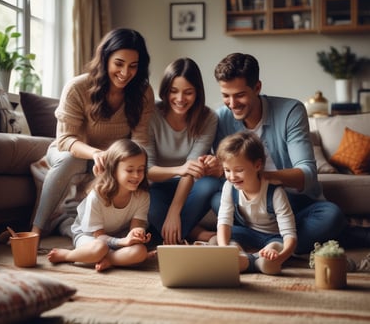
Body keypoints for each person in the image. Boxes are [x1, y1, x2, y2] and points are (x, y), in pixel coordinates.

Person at [201, 52, 346, 255]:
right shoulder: (221, 117)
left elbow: (307, 174)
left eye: (240, 95)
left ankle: (260, 244)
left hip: (295, 203)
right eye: (226, 96)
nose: (232, 104)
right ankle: (283, 244)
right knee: (218, 199)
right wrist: (213, 165)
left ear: (257, 87)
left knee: (331, 216)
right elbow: (222, 166)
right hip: (251, 210)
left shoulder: (290, 111)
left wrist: (261, 178)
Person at [31, 28, 155, 238]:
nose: (125, 73)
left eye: (133, 66)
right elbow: (65, 139)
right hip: (71, 151)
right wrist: (96, 153)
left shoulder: (143, 92)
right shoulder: (77, 87)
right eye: (119, 63)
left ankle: (80, 229)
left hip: (114, 158)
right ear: (105, 59)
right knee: (72, 160)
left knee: (137, 171)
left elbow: (139, 140)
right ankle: (35, 230)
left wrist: (139, 168)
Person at [146, 57, 221, 245]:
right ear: (165, 90)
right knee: (148, 206)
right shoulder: (150, 113)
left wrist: (174, 213)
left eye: (188, 92)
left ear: (197, 93)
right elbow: (148, 169)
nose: (180, 99)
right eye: (174, 91)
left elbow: (193, 168)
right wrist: (178, 169)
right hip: (157, 185)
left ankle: (167, 233)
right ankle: (197, 234)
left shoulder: (208, 117)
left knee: (210, 185)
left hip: (192, 187)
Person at [47, 139, 152, 272]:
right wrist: (122, 242)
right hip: (91, 236)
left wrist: (138, 234)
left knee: (140, 251)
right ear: (113, 170)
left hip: (119, 236)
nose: (136, 175)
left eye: (141, 170)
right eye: (130, 170)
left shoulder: (142, 196)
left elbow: (136, 226)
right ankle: (68, 255)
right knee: (100, 248)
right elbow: (99, 236)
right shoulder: (97, 196)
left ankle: (110, 260)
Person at [215, 131, 297, 274]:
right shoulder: (229, 187)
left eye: (239, 170)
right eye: (227, 170)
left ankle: (258, 259)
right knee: (220, 238)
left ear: (258, 165)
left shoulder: (275, 193)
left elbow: (290, 235)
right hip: (248, 233)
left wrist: (281, 258)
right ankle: (245, 258)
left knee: (275, 247)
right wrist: (224, 249)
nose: (232, 177)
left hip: (273, 237)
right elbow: (224, 221)